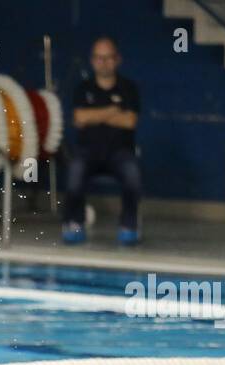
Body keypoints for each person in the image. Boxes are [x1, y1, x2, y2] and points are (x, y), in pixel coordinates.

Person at [61, 36, 142, 246]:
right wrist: (112, 111)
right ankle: (74, 222)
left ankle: (129, 225)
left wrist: (93, 115)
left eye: (108, 57)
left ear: (117, 60)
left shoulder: (129, 88)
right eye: (99, 58)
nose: (103, 62)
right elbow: (79, 119)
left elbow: (130, 121)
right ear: (92, 60)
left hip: (120, 153)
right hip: (88, 152)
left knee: (133, 175)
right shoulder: (83, 88)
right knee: (74, 172)